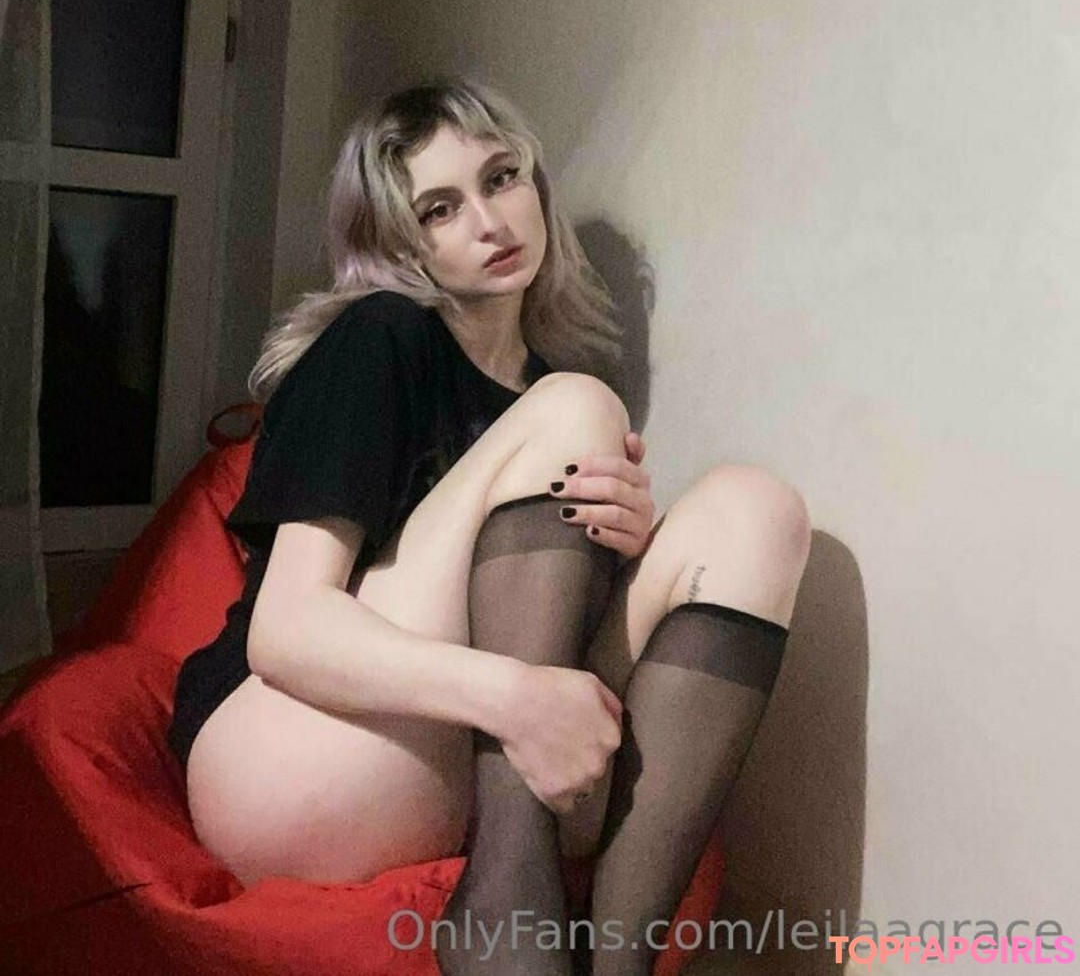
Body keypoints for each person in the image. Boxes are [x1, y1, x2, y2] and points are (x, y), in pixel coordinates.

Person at [167, 75, 811, 976]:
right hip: (289, 759)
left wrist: (621, 557)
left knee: (757, 512)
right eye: (439, 209)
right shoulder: (381, 339)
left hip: (444, 770)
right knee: (577, 405)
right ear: (397, 239)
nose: (489, 221)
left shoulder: (545, 388)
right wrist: (516, 696)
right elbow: (286, 630)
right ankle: (507, 927)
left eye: (502, 178)